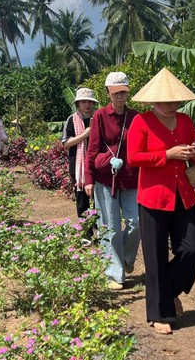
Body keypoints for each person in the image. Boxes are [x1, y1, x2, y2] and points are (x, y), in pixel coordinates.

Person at [127, 68, 195, 335]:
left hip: (183, 194)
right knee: (155, 257)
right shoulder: (142, 122)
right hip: (153, 196)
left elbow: (194, 158)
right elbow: (134, 158)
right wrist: (167, 154)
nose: (173, 106)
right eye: (167, 101)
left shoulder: (184, 122)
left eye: (176, 101)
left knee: (192, 248)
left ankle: (168, 291)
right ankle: (159, 313)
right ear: (154, 101)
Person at [84, 72, 140, 291]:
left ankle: (126, 258)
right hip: (106, 179)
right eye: (115, 93)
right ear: (107, 92)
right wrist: (89, 179)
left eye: (123, 92)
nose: (120, 97)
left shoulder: (135, 116)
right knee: (111, 228)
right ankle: (115, 273)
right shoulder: (99, 116)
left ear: (128, 92)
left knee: (137, 223)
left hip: (131, 177)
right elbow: (93, 149)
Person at [62, 87, 99, 239]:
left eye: (89, 102)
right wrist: (85, 134)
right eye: (83, 102)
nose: (87, 105)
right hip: (77, 167)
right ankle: (86, 234)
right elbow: (66, 143)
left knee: (99, 201)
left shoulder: (98, 117)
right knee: (82, 201)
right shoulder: (72, 120)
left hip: (96, 164)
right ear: (78, 104)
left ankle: (100, 231)